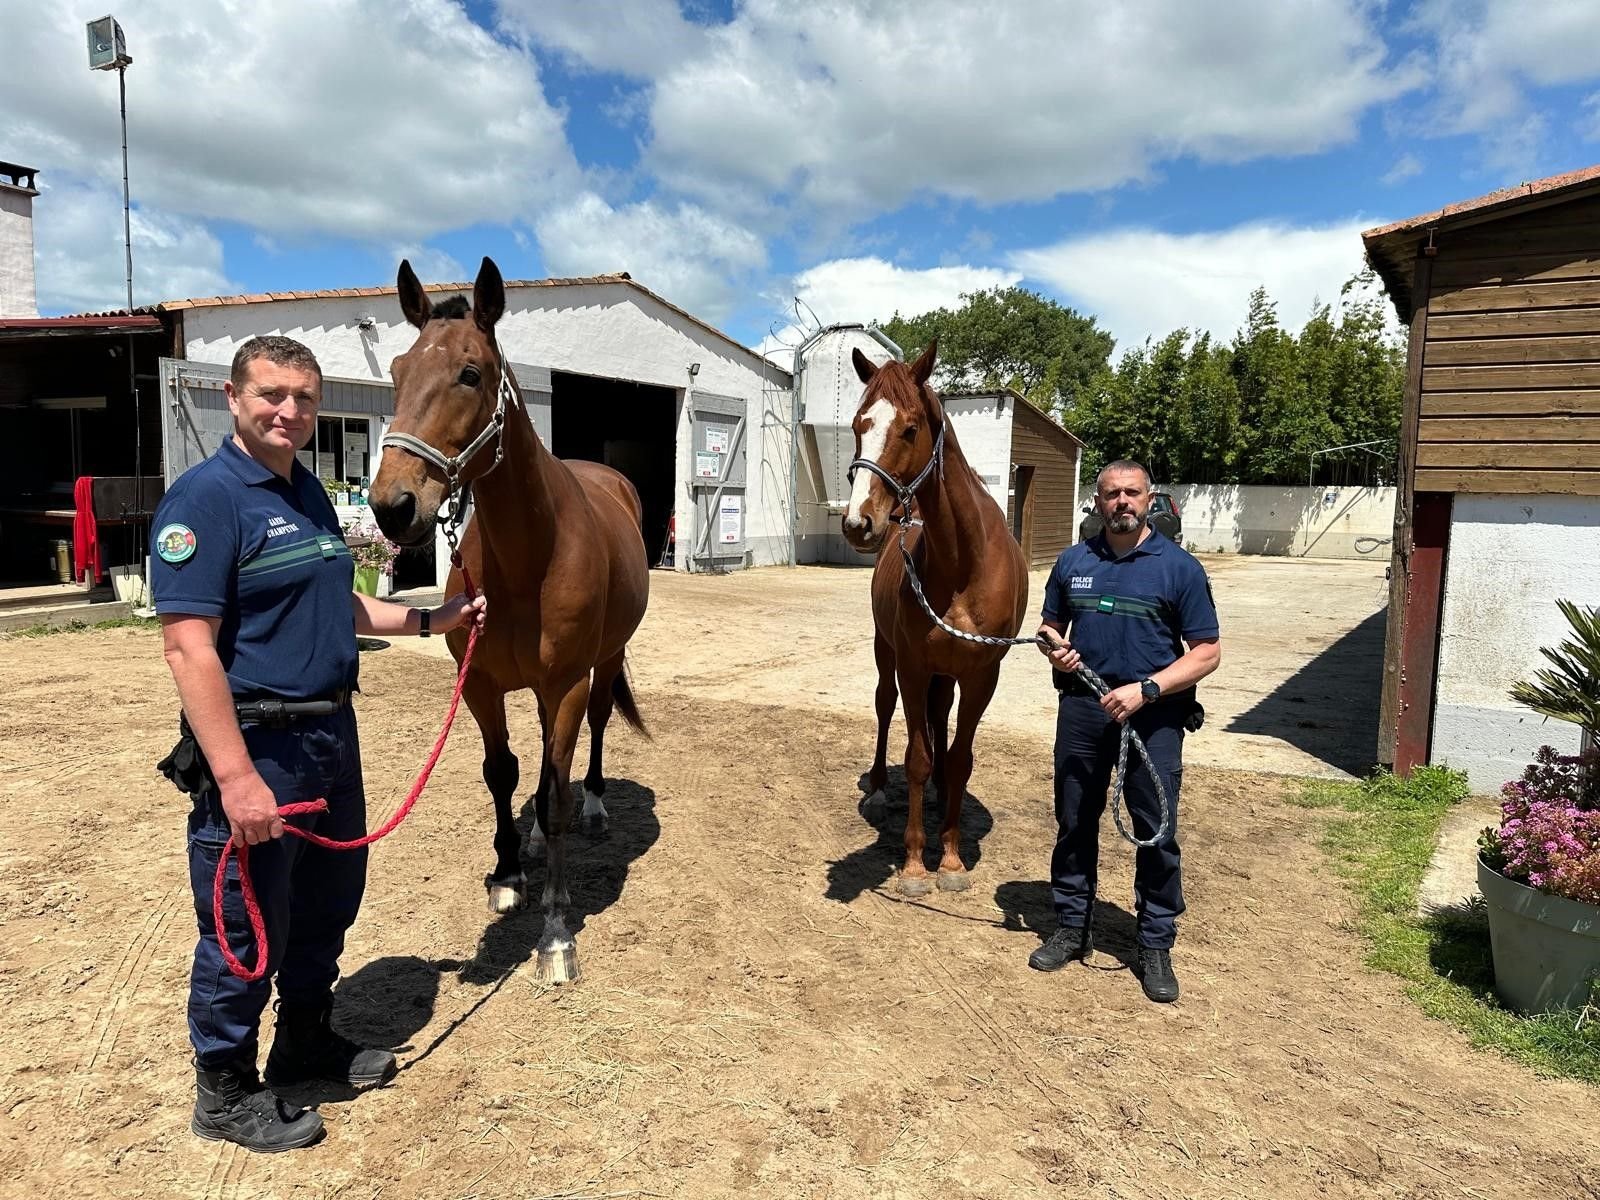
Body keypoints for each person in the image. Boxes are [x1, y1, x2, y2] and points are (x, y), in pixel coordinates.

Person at [151, 335, 486, 1152]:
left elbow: (340, 601)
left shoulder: (303, 493)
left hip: (332, 736)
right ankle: (225, 1090)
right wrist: (234, 779)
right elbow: (189, 647)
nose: (288, 411)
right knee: (245, 921)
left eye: (303, 398)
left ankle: (305, 1040)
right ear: (233, 398)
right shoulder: (205, 501)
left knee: (326, 907)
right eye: (271, 394)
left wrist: (432, 620)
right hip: (261, 744)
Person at [1030, 460, 1220, 1003]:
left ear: (1149, 499)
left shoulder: (1178, 568)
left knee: (1156, 827)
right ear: (1098, 500)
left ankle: (1154, 942)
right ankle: (1071, 925)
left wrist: (1149, 690)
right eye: (1111, 494)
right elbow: (1049, 626)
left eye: (1131, 493)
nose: (1121, 503)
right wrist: (1054, 646)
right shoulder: (1073, 561)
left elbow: (1207, 652)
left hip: (1153, 715)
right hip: (1084, 710)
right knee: (1073, 819)